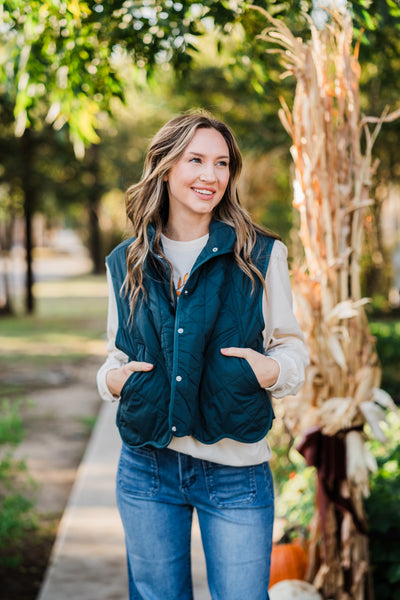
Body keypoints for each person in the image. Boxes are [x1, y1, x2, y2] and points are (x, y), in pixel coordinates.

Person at [96, 111, 309, 600]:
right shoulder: (127, 260)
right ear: (166, 168)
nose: (210, 176)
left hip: (235, 471)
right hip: (147, 467)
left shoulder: (259, 255)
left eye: (221, 163)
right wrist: (112, 381)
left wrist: (271, 369)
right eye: (195, 160)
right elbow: (116, 352)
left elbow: (291, 345)